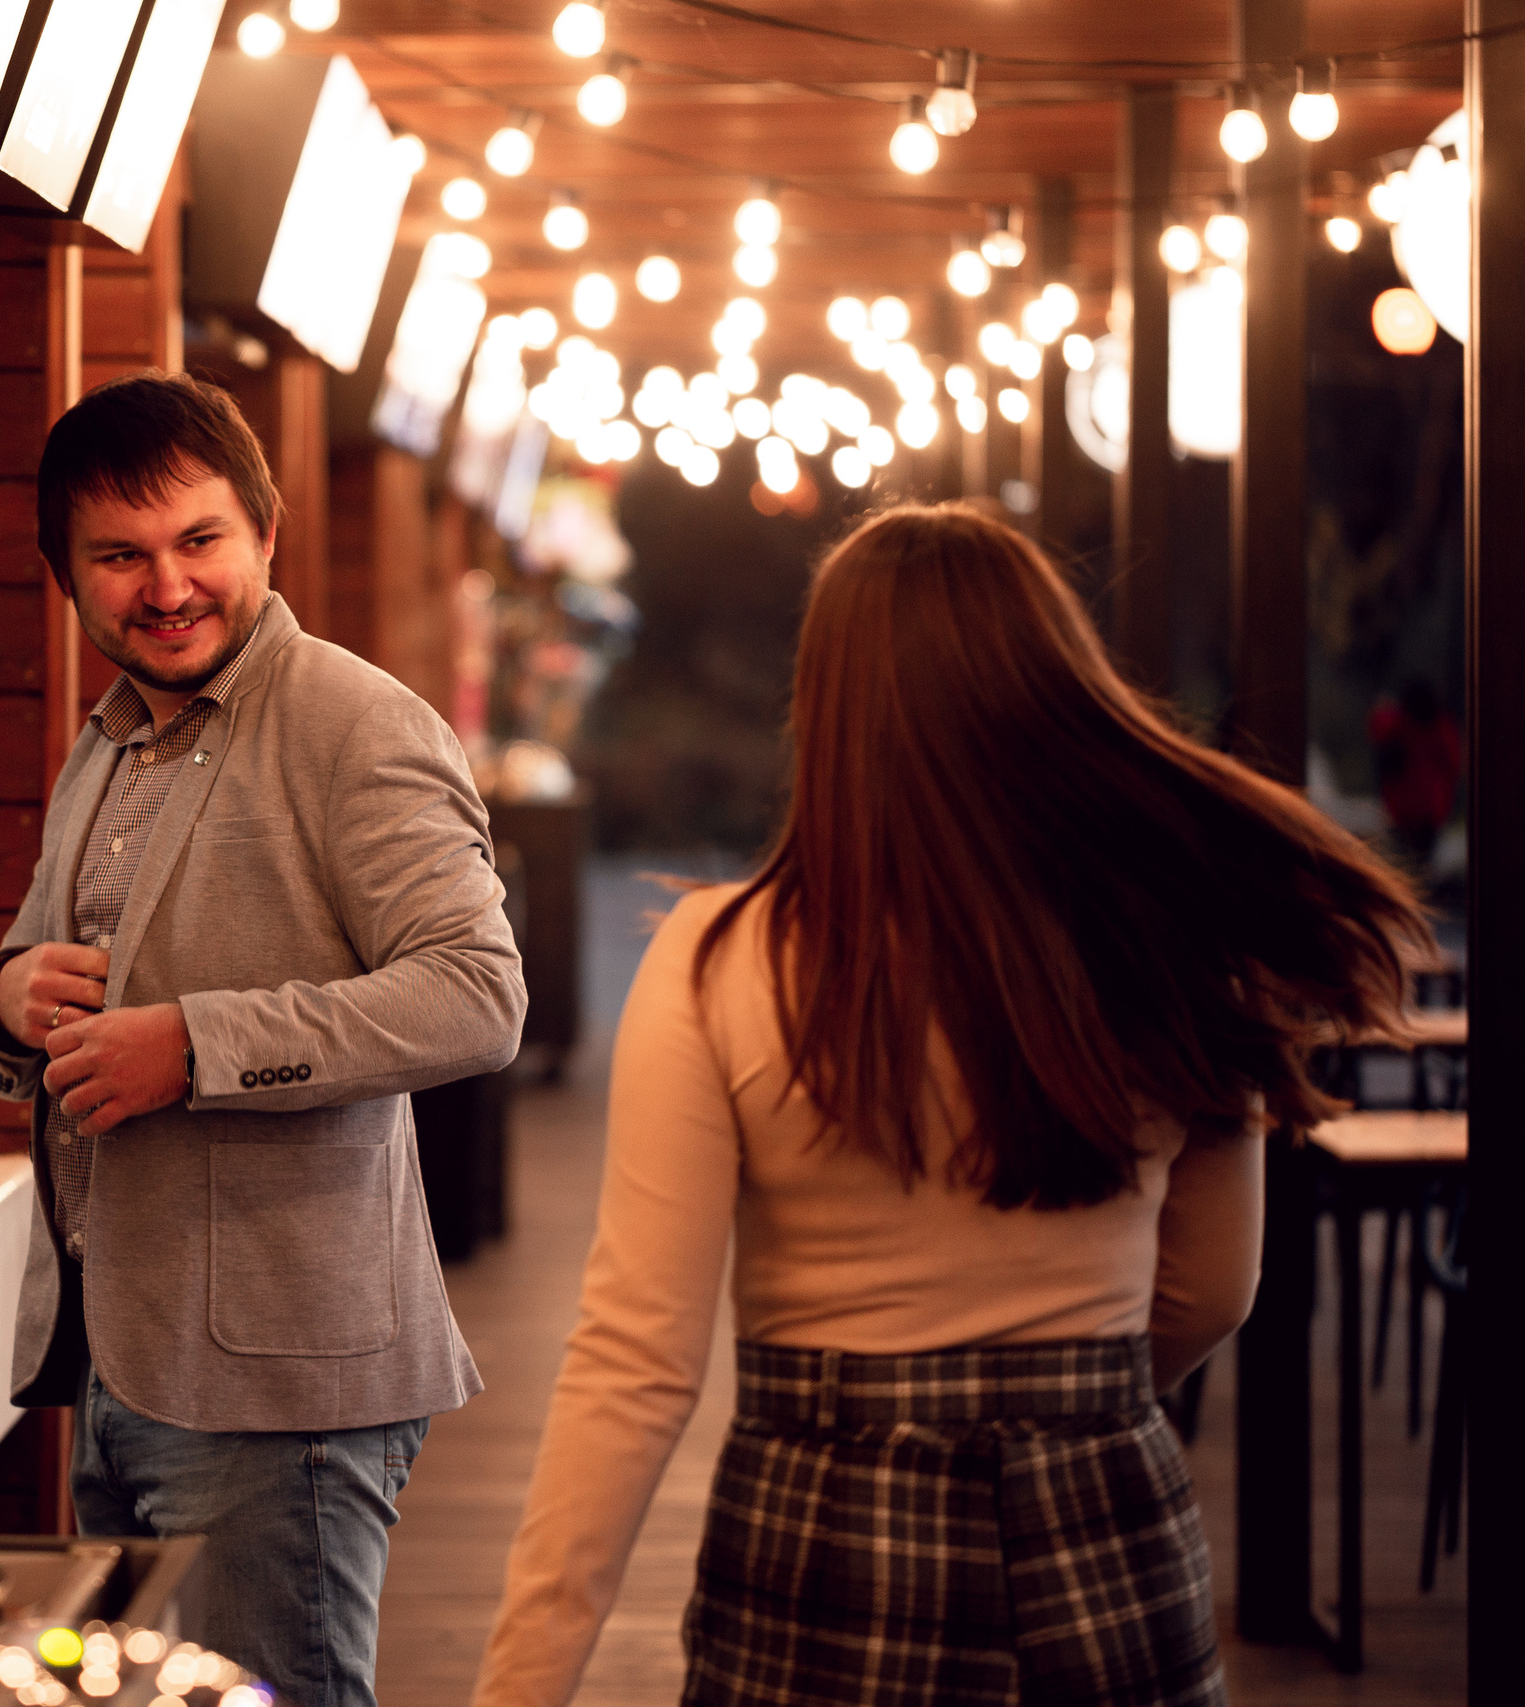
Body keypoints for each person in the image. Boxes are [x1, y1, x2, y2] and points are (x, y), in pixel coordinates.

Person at [473, 506, 1427, 1707]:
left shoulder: (721, 961)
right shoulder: (1174, 941)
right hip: (1104, 1527)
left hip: (821, 1547)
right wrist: (1065, 1403)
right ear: (1052, 687)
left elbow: (635, 1362)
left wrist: (521, 1683)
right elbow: (1210, 1289)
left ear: (828, 711)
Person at [0, 370, 526, 1707]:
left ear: (265, 529)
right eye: (121, 555)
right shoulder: (104, 740)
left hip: (287, 1388)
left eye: (199, 540)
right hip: (114, 1360)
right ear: (67, 573)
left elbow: (476, 993)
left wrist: (196, 1046)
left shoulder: (355, 722)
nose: (167, 585)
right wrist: (1, 998)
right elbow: (16, 983)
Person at [1368, 676, 1461, 881]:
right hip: (1431, 807)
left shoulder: (1401, 723)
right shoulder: (1441, 725)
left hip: (1401, 806)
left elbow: (1378, 728)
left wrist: (1383, 705)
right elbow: (1453, 764)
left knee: (1402, 866)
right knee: (1423, 864)